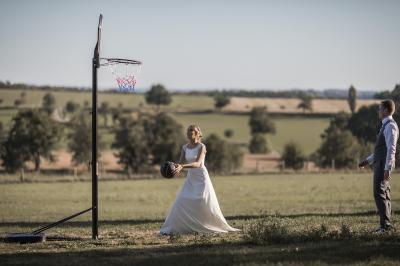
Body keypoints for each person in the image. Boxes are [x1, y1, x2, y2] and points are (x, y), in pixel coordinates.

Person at [160, 125, 240, 234]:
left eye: (191, 131)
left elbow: (198, 164)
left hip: (201, 177)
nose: (189, 133)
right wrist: (174, 168)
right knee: (181, 200)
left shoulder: (202, 147)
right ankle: (178, 228)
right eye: (188, 131)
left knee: (203, 201)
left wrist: (183, 167)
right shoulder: (184, 147)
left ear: (198, 133)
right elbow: (181, 163)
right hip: (191, 178)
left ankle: (206, 225)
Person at [359, 100, 398, 233]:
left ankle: (385, 226)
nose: (378, 111)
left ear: (386, 110)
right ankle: (386, 225)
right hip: (380, 162)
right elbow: (381, 150)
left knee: (379, 193)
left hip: (383, 164)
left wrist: (387, 168)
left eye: (380, 109)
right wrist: (367, 161)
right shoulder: (385, 125)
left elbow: (391, 149)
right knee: (384, 193)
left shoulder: (390, 126)